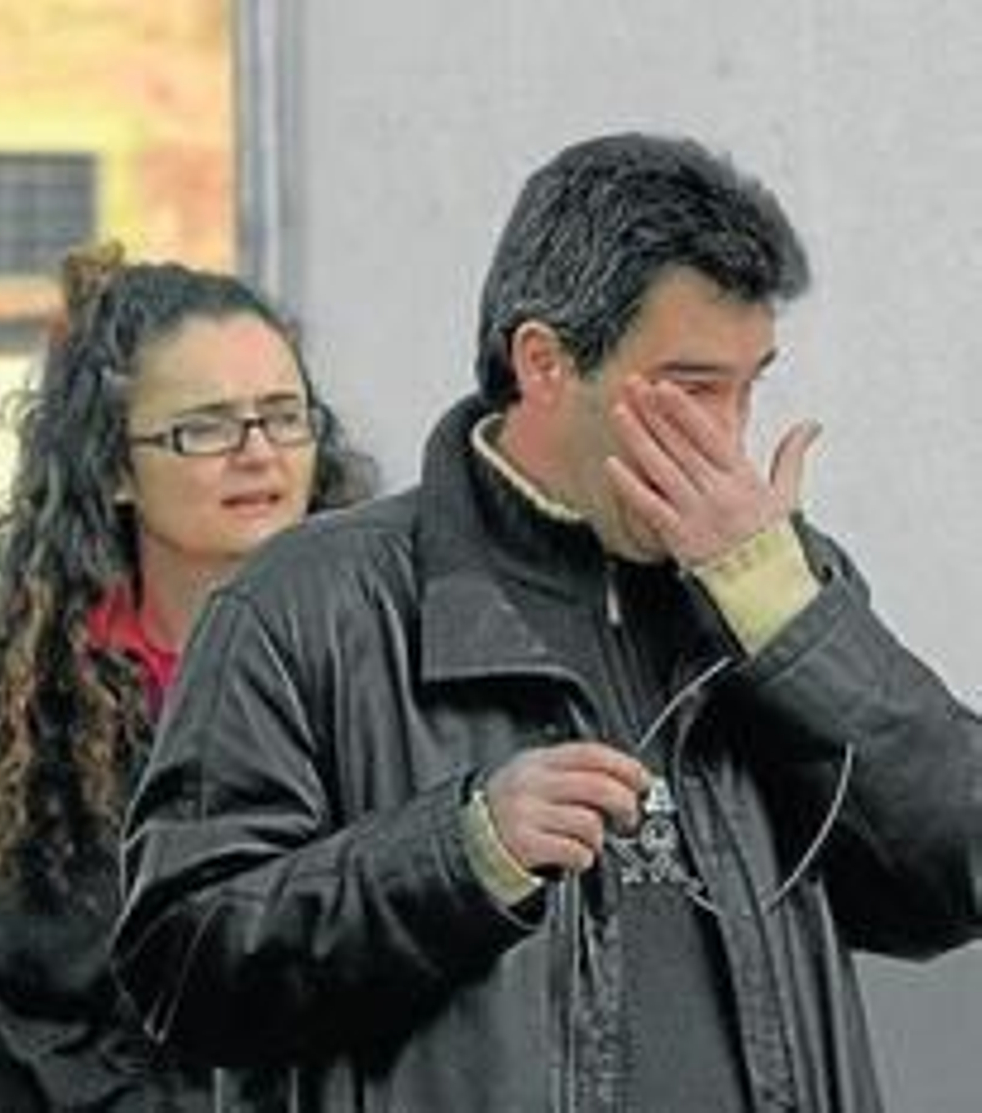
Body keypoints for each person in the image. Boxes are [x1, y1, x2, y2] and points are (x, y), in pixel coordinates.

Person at [113, 132, 982, 1112]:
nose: (729, 436)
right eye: (693, 389)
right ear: (544, 362)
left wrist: (796, 626)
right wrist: (459, 854)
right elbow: (180, 965)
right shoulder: (307, 604)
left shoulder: (778, 589)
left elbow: (955, 874)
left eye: (751, 387)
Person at [0, 241, 375, 1112]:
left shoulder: (387, 672)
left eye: (283, 415)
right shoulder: (13, 713)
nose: (258, 452)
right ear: (115, 466)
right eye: (205, 427)